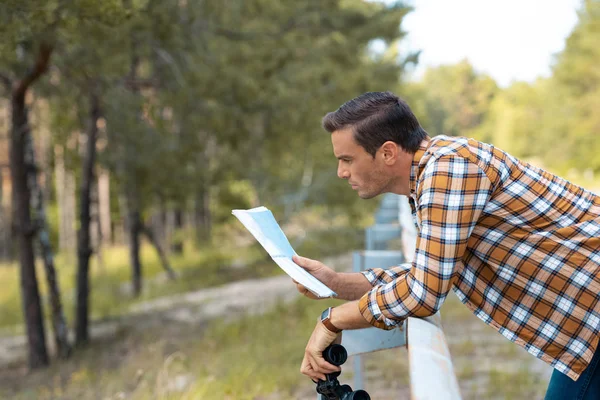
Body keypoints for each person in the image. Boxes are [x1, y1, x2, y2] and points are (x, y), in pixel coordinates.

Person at [292, 91, 600, 399]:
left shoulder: (448, 168)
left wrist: (332, 321)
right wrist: (335, 283)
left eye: (347, 159)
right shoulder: (433, 173)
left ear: (387, 153)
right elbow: (430, 271)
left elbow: (424, 292)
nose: (341, 172)